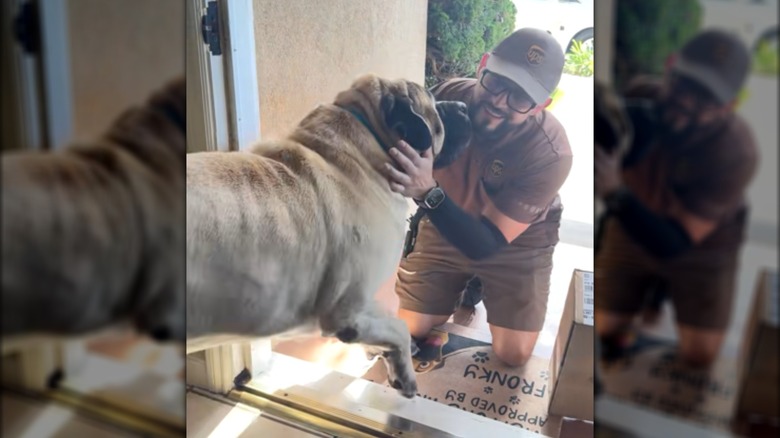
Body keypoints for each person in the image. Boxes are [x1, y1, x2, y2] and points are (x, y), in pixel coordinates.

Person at [384, 28, 572, 367]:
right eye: (497, 82)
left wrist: (427, 193)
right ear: (482, 66)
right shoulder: (446, 95)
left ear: (542, 104)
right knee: (410, 327)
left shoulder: (552, 153)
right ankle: (462, 281)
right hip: (446, 216)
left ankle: (480, 284)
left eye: (520, 97)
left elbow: (486, 244)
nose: (499, 101)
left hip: (516, 242)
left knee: (512, 355)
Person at [594, 29, 758, 368]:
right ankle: (642, 303)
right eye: (683, 84)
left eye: (705, 97)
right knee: (605, 330)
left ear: (730, 105)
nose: (686, 100)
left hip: (705, 247)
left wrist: (612, 191)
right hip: (633, 224)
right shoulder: (640, 95)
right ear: (669, 68)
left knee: (699, 357)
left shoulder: (737, 152)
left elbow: (677, 242)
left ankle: (663, 290)